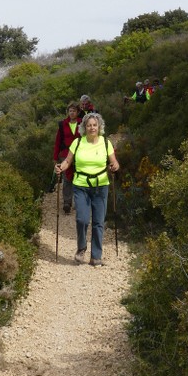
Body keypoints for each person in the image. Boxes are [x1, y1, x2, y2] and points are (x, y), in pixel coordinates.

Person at [55, 112, 119, 266]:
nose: (92, 128)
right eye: (89, 125)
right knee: (81, 219)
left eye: (94, 125)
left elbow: (114, 162)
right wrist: (60, 167)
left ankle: (96, 256)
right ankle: (81, 248)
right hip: (81, 185)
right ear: (84, 127)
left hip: (101, 185)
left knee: (98, 222)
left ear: (99, 127)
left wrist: (114, 166)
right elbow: (68, 161)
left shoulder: (105, 143)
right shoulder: (77, 143)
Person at [53, 102, 81, 214]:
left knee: (79, 177)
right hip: (66, 154)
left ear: (78, 112)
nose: (72, 113)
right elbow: (58, 142)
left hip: (80, 154)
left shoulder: (82, 123)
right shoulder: (62, 124)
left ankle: (79, 201)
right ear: (68, 112)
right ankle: (67, 203)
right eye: (70, 111)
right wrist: (55, 157)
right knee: (67, 178)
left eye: (74, 110)